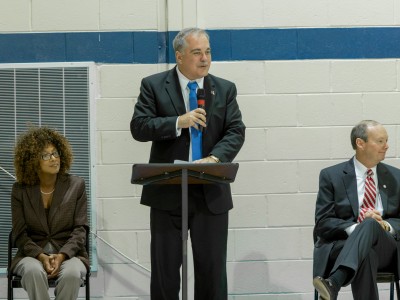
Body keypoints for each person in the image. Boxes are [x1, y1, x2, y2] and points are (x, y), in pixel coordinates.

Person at [130, 27, 245, 299]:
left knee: (212, 272)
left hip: (210, 190)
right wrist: (177, 122)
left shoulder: (224, 89)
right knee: (165, 273)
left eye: (207, 52)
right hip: (167, 191)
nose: (204, 58)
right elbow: (139, 127)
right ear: (179, 56)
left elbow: (235, 130)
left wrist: (215, 158)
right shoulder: (154, 85)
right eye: (197, 53)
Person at [312, 120, 400, 300]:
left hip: (386, 247)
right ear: (360, 143)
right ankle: (335, 281)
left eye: (386, 141)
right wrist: (357, 228)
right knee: (366, 253)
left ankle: (335, 282)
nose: (387, 146)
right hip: (344, 245)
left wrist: (383, 225)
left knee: (370, 224)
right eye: (380, 141)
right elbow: (323, 223)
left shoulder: (396, 177)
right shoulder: (331, 176)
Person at [11, 126, 89, 300]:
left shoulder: (76, 185)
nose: (54, 159)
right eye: (46, 155)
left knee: (72, 274)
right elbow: (19, 233)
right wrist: (40, 255)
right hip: (31, 255)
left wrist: (61, 256)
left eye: (55, 153)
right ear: (32, 161)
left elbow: (80, 229)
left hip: (70, 254)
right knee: (32, 272)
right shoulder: (20, 190)